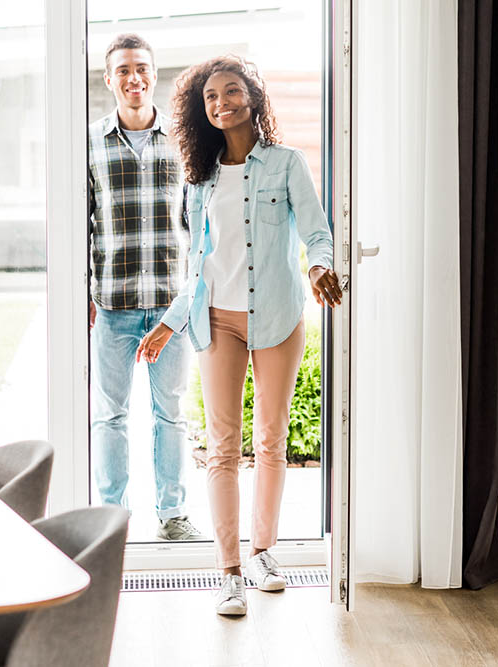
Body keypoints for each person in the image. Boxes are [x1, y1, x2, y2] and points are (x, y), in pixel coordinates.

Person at [137, 56, 342, 615]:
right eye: (210, 97)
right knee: (223, 447)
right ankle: (228, 571)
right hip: (217, 320)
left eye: (231, 91)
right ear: (201, 112)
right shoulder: (199, 180)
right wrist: (169, 321)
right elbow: (199, 266)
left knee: (271, 440)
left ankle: (263, 554)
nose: (220, 101)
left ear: (252, 97)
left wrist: (320, 266)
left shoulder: (286, 163)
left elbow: (317, 232)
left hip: (277, 316)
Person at [88, 33, 201, 541]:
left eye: (142, 68)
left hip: (170, 305)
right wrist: (80, 294)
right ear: (109, 78)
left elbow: (199, 225)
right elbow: (79, 222)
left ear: (154, 74)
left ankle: (173, 514)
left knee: (171, 415)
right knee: (109, 416)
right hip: (110, 302)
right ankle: (112, 517)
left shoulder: (183, 142)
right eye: (124, 70)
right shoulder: (89, 142)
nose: (134, 78)